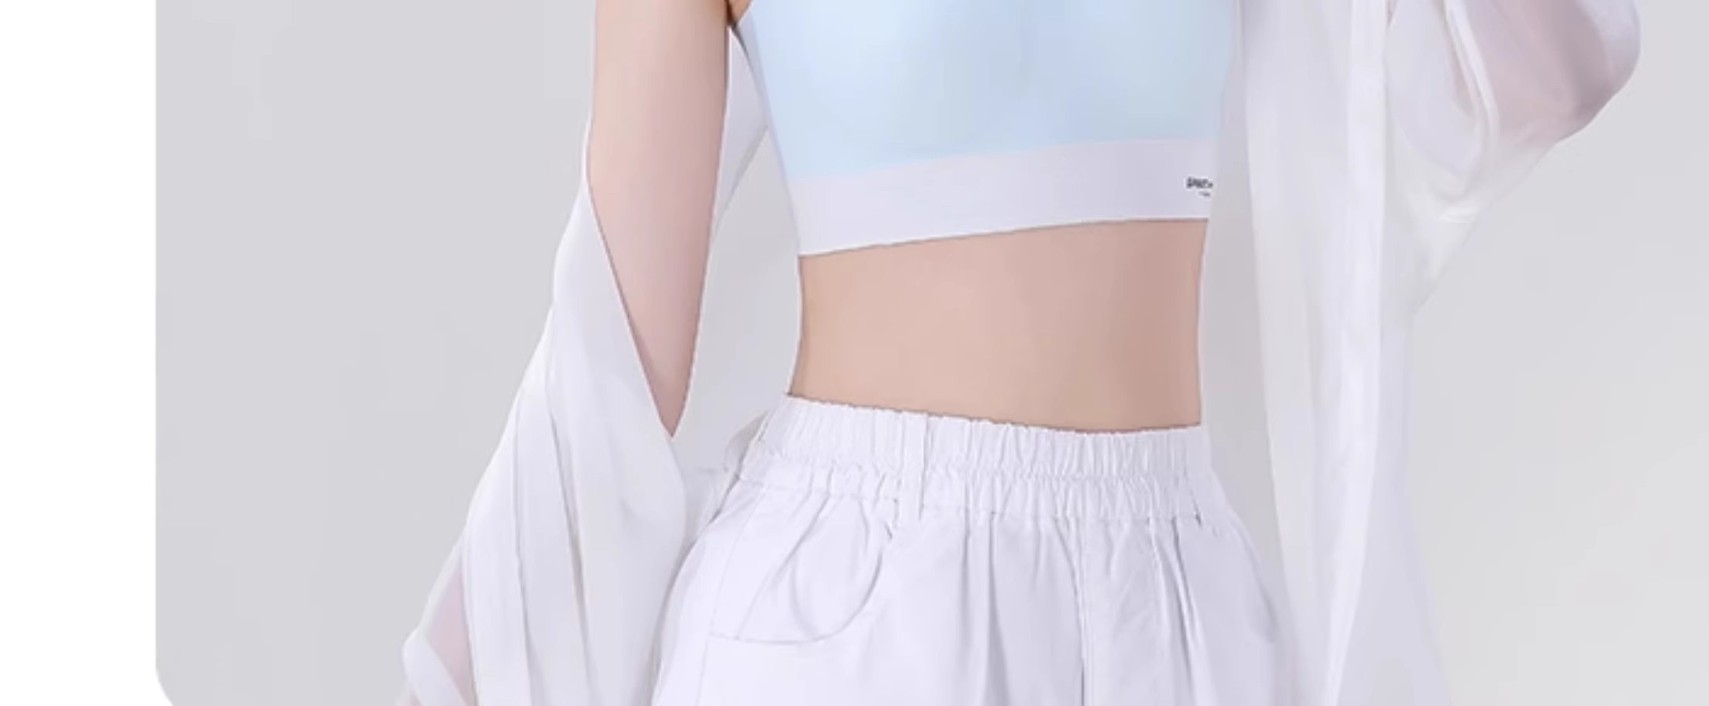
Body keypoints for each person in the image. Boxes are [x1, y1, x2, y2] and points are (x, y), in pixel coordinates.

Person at [399, 0, 1640, 704]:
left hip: (1178, 595)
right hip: (846, 608)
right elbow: (617, 354)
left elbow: (1552, 73)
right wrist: (464, 664)